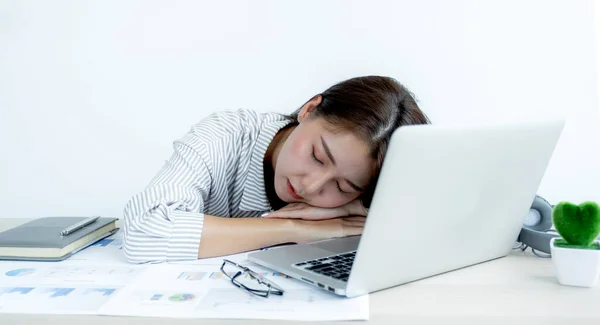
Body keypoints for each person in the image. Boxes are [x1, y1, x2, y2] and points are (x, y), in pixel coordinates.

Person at [122, 75, 431, 264]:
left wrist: (366, 210)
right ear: (309, 110)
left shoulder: (361, 198)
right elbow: (144, 231)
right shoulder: (224, 135)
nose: (311, 187)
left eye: (342, 187)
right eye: (317, 157)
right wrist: (296, 229)